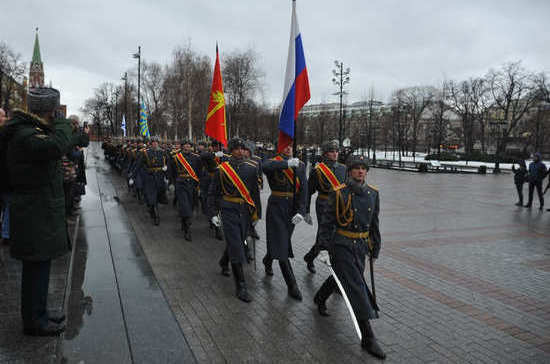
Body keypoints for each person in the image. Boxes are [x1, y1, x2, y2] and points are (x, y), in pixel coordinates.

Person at [2, 87, 88, 336]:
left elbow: (61, 143)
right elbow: (55, 145)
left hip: (38, 208)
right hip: (33, 210)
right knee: (35, 267)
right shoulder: (24, 134)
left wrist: (73, 134)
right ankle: (33, 321)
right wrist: (63, 124)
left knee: (40, 265)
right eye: (55, 110)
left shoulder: (31, 131)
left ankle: (39, 312)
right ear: (49, 109)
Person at [315, 154, 385, 359]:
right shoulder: (339, 193)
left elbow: (374, 224)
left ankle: (320, 297)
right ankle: (368, 338)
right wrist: (323, 248)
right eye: (356, 168)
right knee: (356, 287)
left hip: (361, 246)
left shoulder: (373, 193)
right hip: (342, 245)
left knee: (344, 278)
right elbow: (327, 223)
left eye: (364, 168)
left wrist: (375, 249)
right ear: (350, 171)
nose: (360, 171)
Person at [207, 138, 260, 302]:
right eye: (236, 148)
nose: (239, 151)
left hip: (244, 212)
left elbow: (254, 194)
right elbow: (213, 193)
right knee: (237, 246)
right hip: (228, 210)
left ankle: (224, 262)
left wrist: (256, 215)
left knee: (237, 241)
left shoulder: (251, 169)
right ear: (231, 150)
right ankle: (241, 286)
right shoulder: (222, 169)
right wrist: (213, 213)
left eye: (241, 148)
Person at [262, 143, 307, 301]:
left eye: (290, 146)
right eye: (285, 146)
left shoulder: (300, 165)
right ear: (279, 147)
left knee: (282, 241)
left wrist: (302, 211)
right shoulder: (273, 161)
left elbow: (304, 191)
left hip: (292, 209)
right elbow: (265, 166)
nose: (288, 148)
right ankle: (292, 285)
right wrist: (286, 164)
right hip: (276, 207)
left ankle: (267, 259)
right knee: (282, 246)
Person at [303, 140, 347, 273]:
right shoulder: (318, 170)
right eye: (332, 152)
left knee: (330, 235)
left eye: (336, 151)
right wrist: (306, 211)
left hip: (340, 205)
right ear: (325, 154)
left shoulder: (343, 169)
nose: (335, 154)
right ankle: (335, 271)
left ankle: (310, 257)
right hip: (324, 204)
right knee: (327, 234)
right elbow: (308, 191)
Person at [169, 140, 201, 240]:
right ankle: (187, 230)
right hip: (181, 184)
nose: (187, 147)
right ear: (182, 147)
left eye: (189, 146)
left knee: (190, 206)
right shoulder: (176, 158)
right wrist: (172, 183)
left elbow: (199, 171)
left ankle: (184, 220)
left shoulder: (196, 158)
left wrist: (199, 184)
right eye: (185, 146)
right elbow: (172, 172)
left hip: (192, 184)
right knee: (184, 205)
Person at [135, 136, 168, 225]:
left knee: (157, 196)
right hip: (150, 177)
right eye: (153, 142)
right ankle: (156, 215)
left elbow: (167, 163)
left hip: (160, 177)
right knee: (152, 196)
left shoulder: (162, 152)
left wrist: (166, 171)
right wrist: (133, 176)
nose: (155, 143)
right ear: (150, 143)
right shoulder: (145, 153)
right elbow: (138, 165)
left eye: (156, 142)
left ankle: (153, 209)